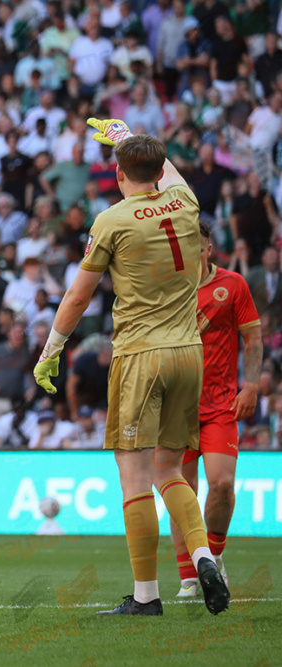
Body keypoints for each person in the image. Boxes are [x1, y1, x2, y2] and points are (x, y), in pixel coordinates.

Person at [33, 119, 228, 616]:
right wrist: (127, 136)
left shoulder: (112, 220)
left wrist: (51, 349)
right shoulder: (186, 205)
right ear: (160, 169)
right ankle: (205, 556)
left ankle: (146, 596)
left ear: (119, 173)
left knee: (135, 476)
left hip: (141, 355)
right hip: (190, 354)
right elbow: (172, 175)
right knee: (170, 469)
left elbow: (78, 296)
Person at [171, 220, 262, 597]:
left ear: (208, 249)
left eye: (199, 244)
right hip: (176, 406)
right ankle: (189, 577)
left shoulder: (233, 284)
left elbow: (253, 339)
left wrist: (252, 384)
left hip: (221, 404)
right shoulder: (167, 289)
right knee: (183, 489)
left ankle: (215, 556)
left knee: (221, 485)